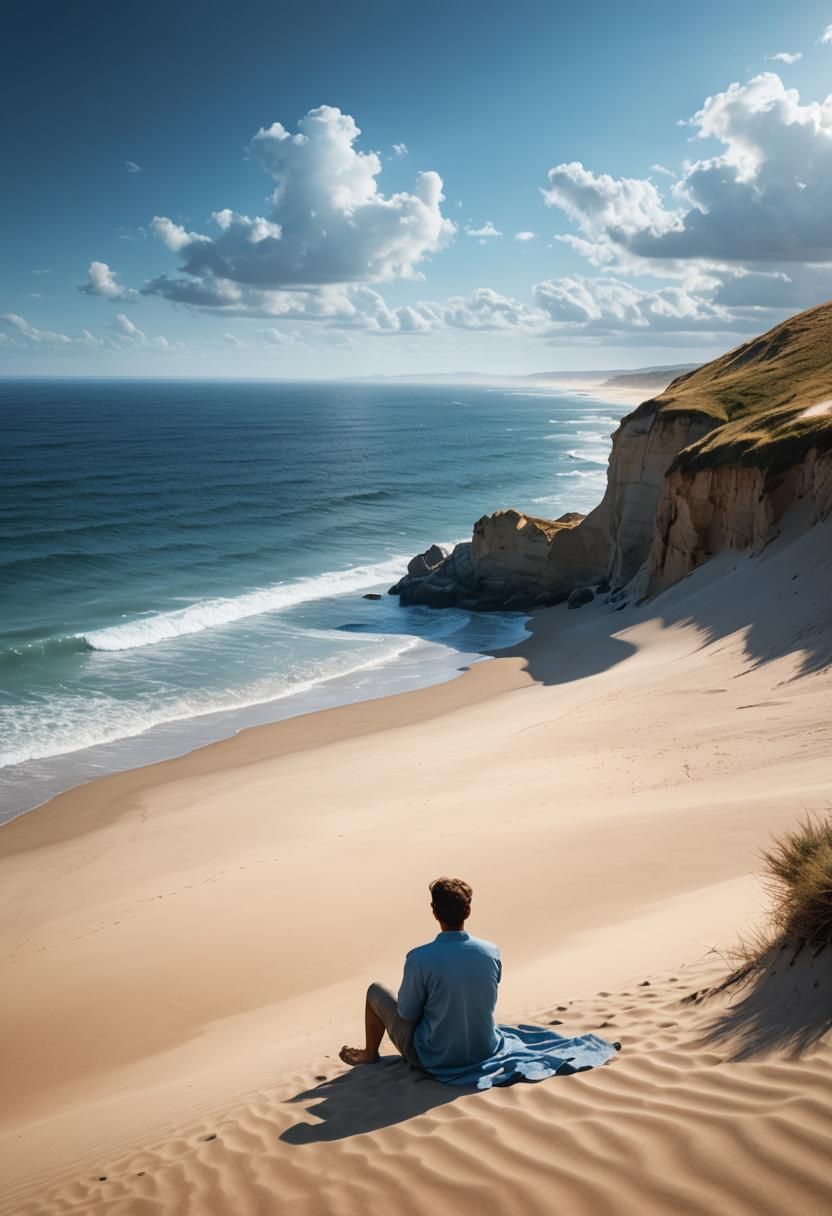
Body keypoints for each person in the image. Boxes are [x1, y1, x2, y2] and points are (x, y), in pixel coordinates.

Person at [339, 876, 502, 1080]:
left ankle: (369, 1054)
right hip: (484, 1050)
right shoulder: (491, 951)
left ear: (434, 912)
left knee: (375, 990)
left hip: (435, 1058)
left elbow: (407, 1013)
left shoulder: (419, 958)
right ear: (468, 910)